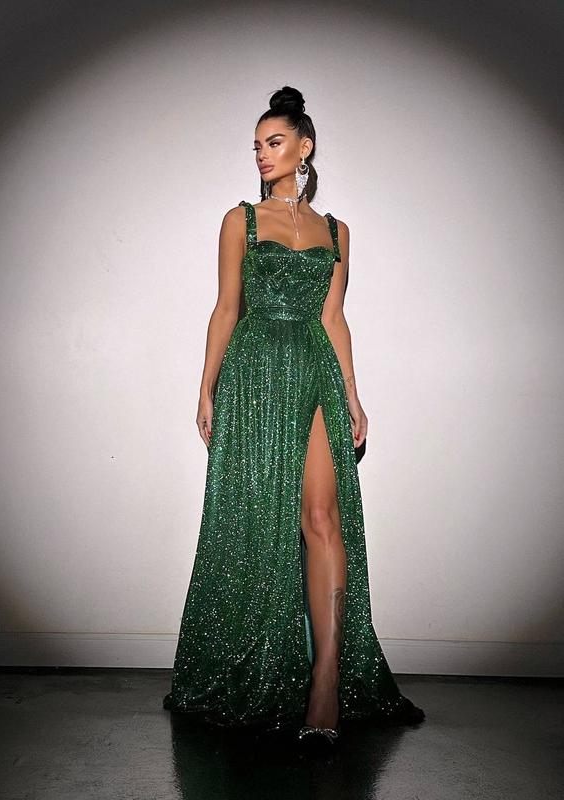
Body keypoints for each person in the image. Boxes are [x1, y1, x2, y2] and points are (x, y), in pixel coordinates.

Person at [163, 85, 425, 748]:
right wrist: (206, 388)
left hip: (314, 372)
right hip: (253, 373)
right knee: (255, 522)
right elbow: (226, 308)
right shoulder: (240, 221)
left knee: (321, 518)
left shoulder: (337, 232)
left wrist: (354, 396)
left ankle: (326, 682)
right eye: (256, 145)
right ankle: (262, 661)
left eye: (273, 142)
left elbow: (334, 317)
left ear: (304, 147)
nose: (262, 154)